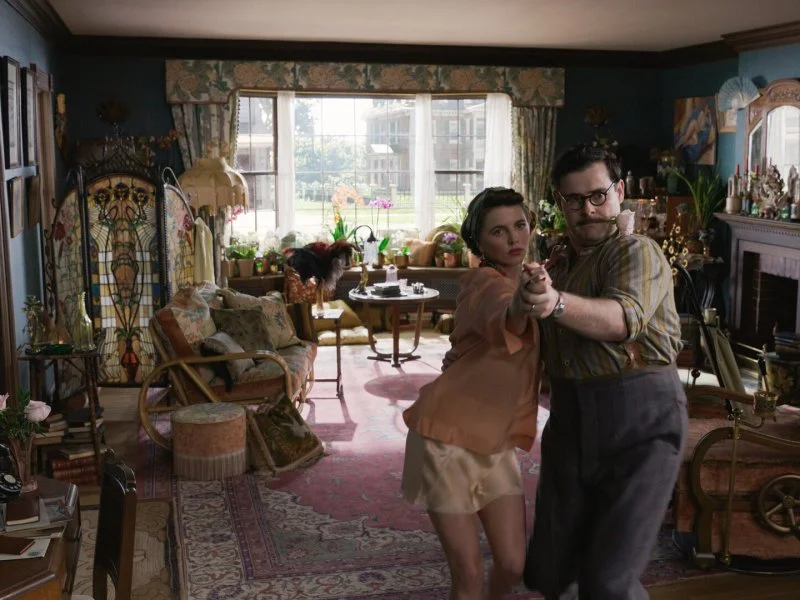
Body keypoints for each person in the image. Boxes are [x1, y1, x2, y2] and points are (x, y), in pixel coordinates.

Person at [521, 144, 688, 600]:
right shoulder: (560, 262)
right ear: (560, 203)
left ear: (619, 191)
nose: (588, 209)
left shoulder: (637, 251)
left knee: (608, 582)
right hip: (570, 422)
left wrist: (555, 303)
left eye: (598, 195)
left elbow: (621, 320)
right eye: (574, 200)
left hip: (641, 423)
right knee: (550, 569)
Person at [402, 187, 543, 600]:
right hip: (444, 437)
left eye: (520, 225)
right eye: (499, 231)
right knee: (467, 575)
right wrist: (526, 298)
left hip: (494, 441)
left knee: (513, 564)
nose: (514, 238)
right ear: (479, 243)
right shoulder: (484, 283)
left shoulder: (532, 280)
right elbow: (508, 315)